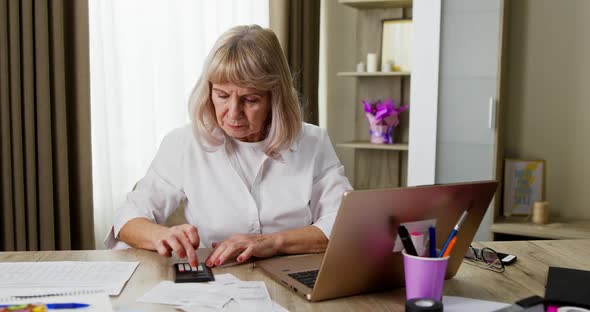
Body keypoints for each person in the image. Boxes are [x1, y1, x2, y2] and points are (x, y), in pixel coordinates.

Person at [104, 25, 352, 269]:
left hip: (296, 277)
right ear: (208, 90)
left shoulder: (313, 142)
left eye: (250, 99)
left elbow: (344, 223)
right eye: (222, 95)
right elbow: (127, 218)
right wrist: (160, 234)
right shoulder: (183, 143)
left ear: (275, 98)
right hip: (218, 279)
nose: (233, 113)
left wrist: (273, 242)